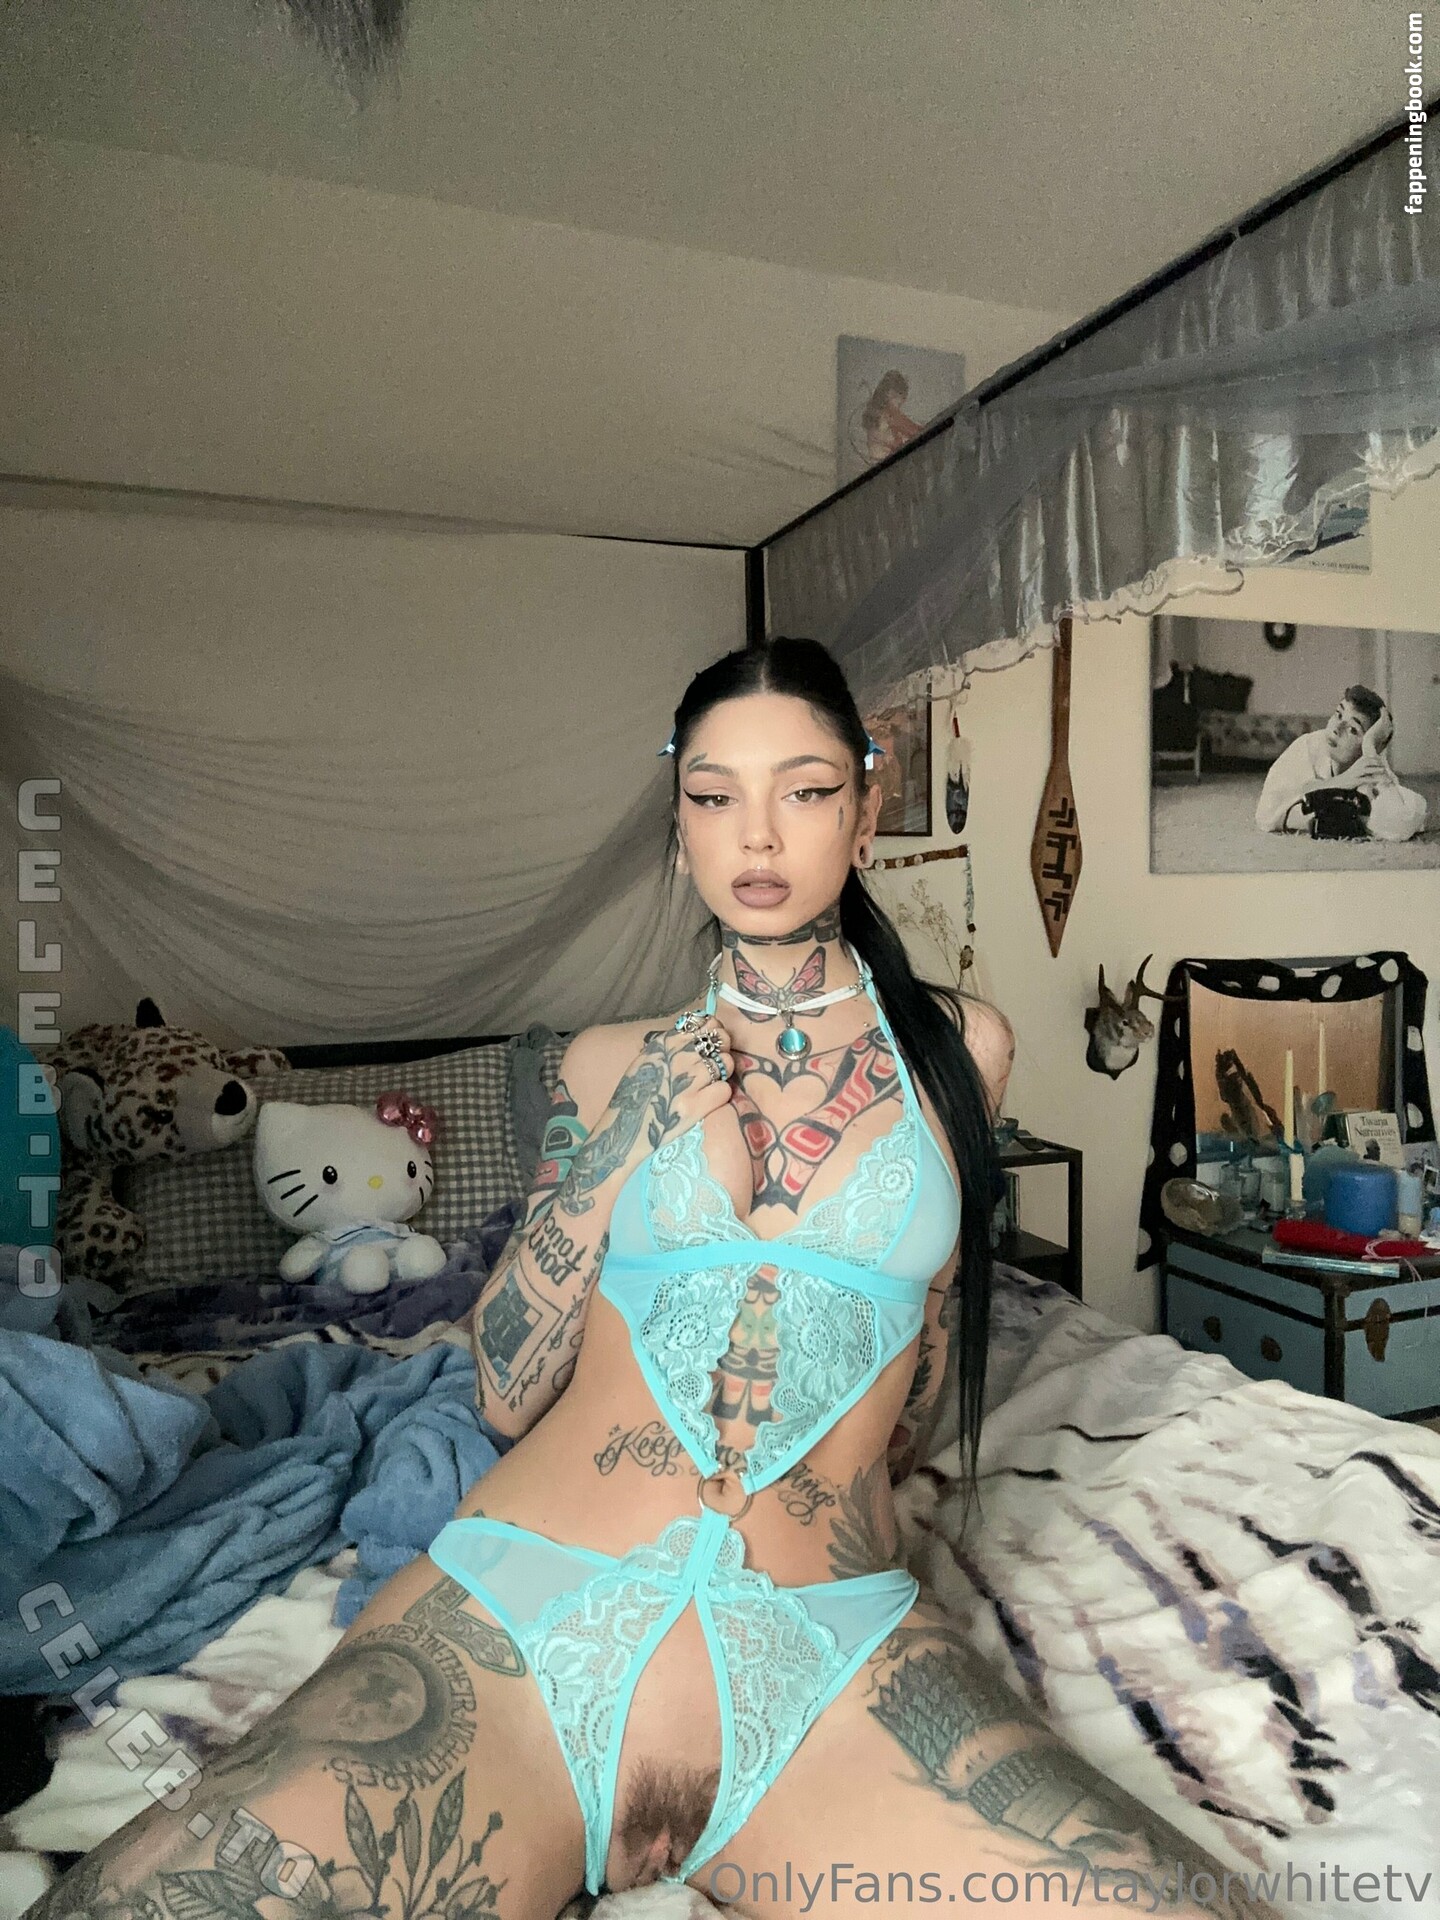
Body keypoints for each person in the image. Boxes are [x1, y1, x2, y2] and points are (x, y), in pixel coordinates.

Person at [28, 640, 1279, 1920]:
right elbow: (504, 1390)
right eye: (714, 794)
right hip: (524, 1621)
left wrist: (870, 1456)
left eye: (803, 790)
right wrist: (617, 1151)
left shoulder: (961, 1049)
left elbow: (933, 1330)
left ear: (864, 805)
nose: (757, 834)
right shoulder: (603, 1064)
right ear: (679, 825)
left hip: (825, 1648)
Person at [1254, 684, 1427, 840]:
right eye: (1338, 714)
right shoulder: (1307, 747)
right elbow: (1267, 815)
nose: (1336, 729)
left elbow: (1401, 825)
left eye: (1352, 729)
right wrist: (1343, 782)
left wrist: (1369, 746)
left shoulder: (1370, 761)